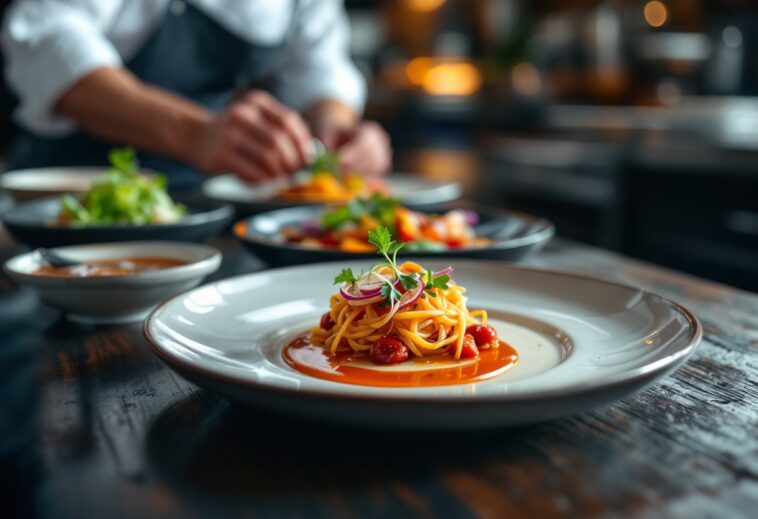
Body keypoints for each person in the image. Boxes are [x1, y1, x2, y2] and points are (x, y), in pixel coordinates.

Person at [0, 0, 391, 189]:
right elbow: (46, 38)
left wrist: (338, 133)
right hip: (70, 199)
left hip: (206, 206)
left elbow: (321, 69)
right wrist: (196, 133)